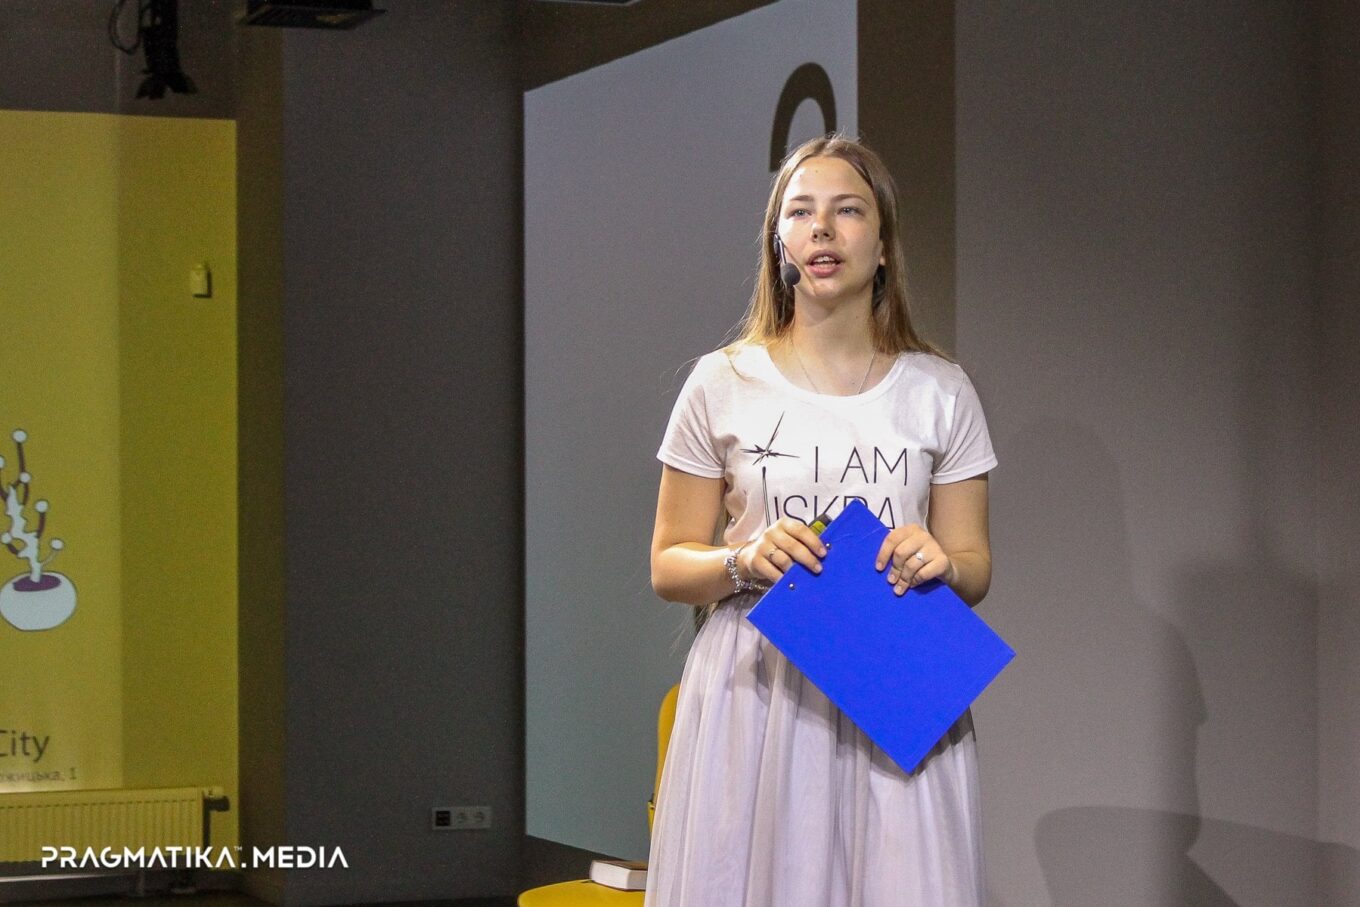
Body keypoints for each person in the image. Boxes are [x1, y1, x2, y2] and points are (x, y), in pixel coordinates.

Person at [645, 135, 997, 907]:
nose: (823, 229)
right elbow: (668, 562)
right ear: (779, 244)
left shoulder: (941, 390)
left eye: (848, 211)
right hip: (756, 689)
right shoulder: (722, 382)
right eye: (801, 212)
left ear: (883, 243)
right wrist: (741, 560)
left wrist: (942, 561)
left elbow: (974, 565)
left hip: (894, 672)